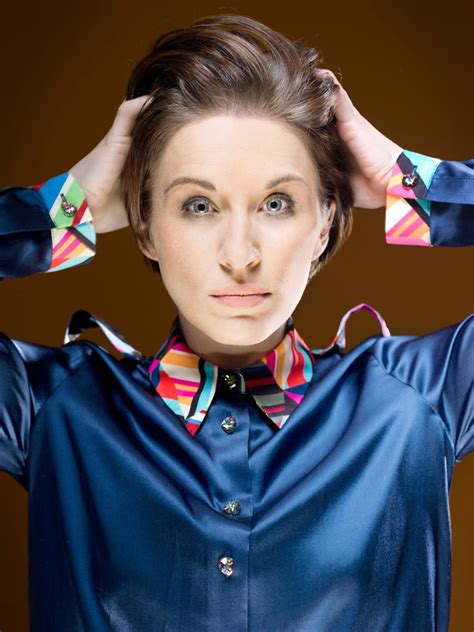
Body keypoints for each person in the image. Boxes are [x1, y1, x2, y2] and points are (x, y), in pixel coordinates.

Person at [0, 13, 472, 632]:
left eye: (277, 204)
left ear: (324, 220)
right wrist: (63, 210)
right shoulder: (53, 409)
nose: (240, 255)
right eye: (198, 205)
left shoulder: (419, 400)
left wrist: (415, 186)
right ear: (143, 225)